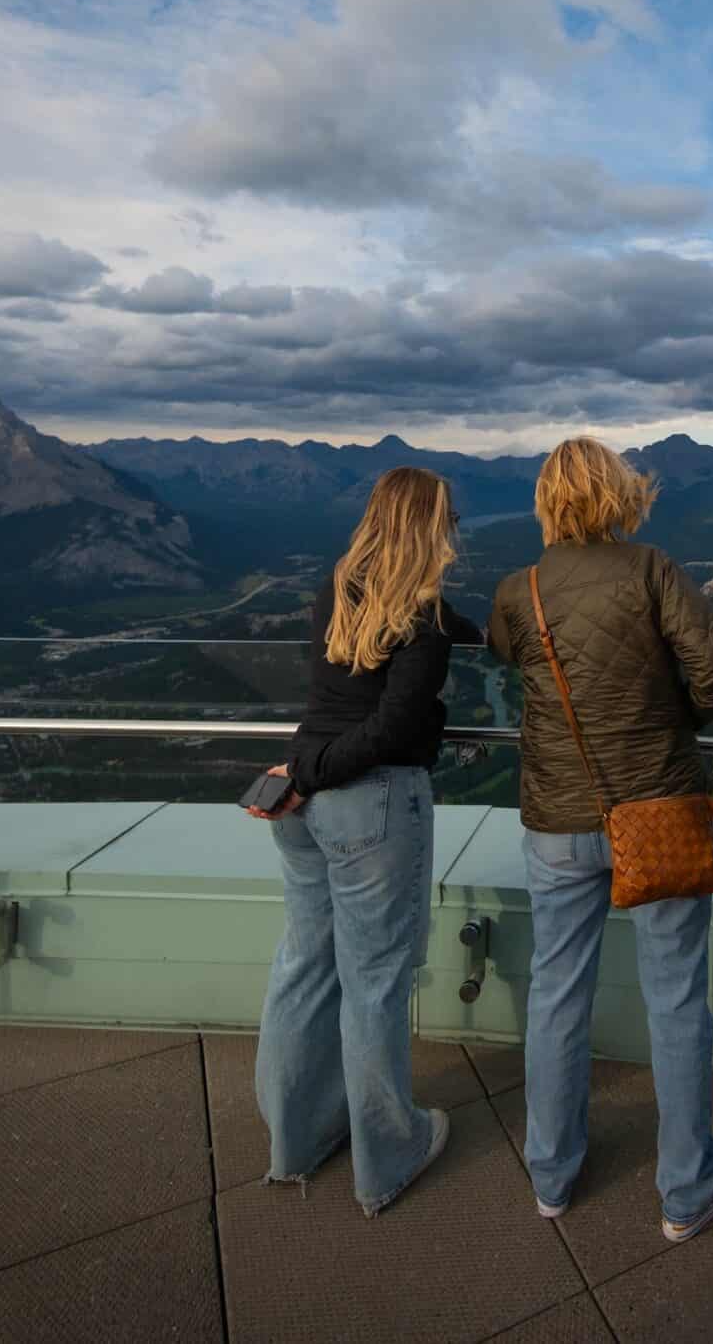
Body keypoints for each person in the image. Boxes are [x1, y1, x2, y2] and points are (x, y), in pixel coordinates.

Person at [487, 437, 713, 1243]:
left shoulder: (517, 589)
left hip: (559, 822)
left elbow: (510, 656)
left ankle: (553, 1177)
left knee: (556, 995)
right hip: (659, 814)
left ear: (546, 502)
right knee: (675, 999)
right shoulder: (651, 569)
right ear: (619, 495)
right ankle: (685, 1189)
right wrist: (671, 724)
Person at [253, 465, 481, 1216]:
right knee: (375, 983)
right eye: (448, 519)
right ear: (430, 526)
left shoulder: (338, 590)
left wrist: (304, 771)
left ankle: (295, 1140)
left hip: (302, 808)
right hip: (369, 808)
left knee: (304, 966)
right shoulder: (423, 618)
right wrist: (318, 768)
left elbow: (341, 699)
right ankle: (388, 1156)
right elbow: (392, 728)